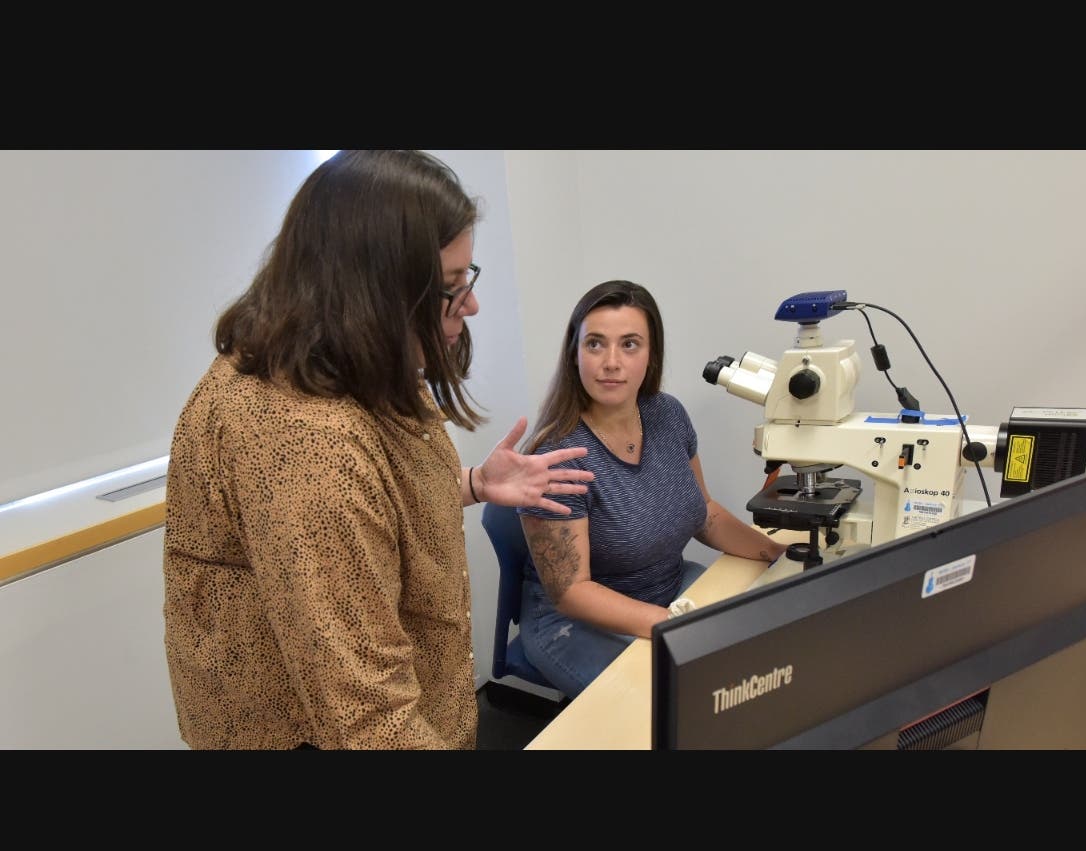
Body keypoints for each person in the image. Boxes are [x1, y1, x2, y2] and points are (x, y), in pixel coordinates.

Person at [162, 150, 593, 750]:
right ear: (371, 291)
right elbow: (367, 719)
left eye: (467, 279)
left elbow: (372, 502)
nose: (469, 305)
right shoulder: (304, 445)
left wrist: (472, 483)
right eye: (449, 288)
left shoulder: (342, 361)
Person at [516, 280, 787, 698]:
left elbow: (705, 513)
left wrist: (776, 553)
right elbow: (572, 592)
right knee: (678, 706)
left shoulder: (667, 414)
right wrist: (667, 624)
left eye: (629, 344)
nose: (611, 362)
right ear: (574, 355)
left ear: (651, 354)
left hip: (670, 592)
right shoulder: (557, 454)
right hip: (575, 625)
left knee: (759, 660)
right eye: (594, 344)